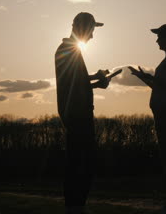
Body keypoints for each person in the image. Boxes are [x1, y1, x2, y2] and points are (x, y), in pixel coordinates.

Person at [129, 24, 166, 214]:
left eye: (160, 37)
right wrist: (142, 77)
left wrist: (149, 77)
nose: (157, 40)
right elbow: (159, 87)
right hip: (163, 112)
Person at [55, 12, 110, 214]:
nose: (93, 36)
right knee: (82, 163)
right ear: (83, 28)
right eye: (92, 30)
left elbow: (76, 79)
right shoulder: (69, 50)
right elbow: (75, 83)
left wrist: (96, 78)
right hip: (77, 114)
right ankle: (75, 206)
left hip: (76, 113)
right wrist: (100, 83)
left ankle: (75, 205)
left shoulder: (69, 49)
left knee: (79, 161)